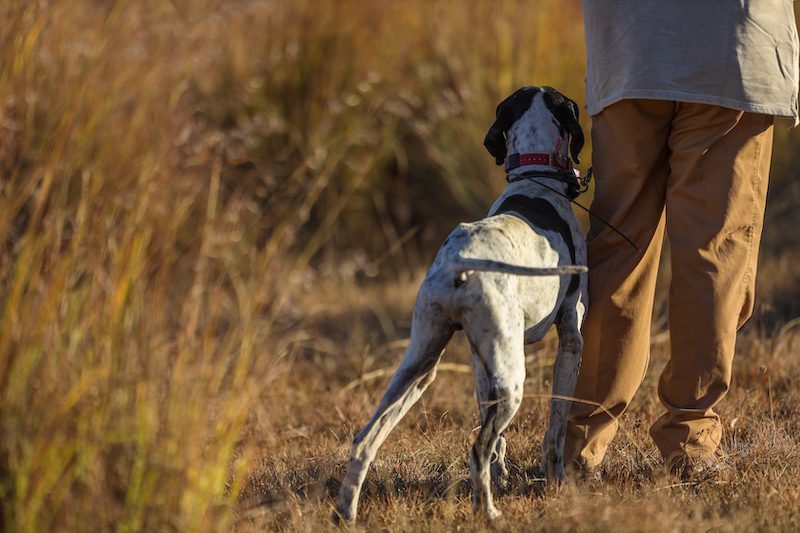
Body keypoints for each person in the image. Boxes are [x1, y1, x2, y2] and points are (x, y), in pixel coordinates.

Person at [565, 1, 799, 476]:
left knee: (618, 249)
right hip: (733, 47)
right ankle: (690, 443)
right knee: (714, 252)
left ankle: (576, 446)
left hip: (630, 44)